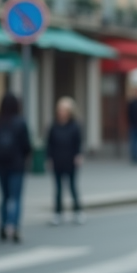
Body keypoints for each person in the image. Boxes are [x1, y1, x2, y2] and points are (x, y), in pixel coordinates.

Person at [0, 92, 33, 243]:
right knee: (16, 198)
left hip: (1, 166)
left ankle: (2, 226)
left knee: (4, 197)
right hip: (17, 165)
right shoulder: (20, 122)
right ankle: (14, 227)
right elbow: (27, 145)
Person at [45, 96, 84, 225]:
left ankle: (78, 212)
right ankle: (57, 213)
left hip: (70, 160)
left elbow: (78, 143)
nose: (62, 112)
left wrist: (78, 155)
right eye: (60, 109)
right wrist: (49, 158)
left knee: (72, 187)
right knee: (58, 189)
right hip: (57, 159)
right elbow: (49, 143)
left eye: (64, 109)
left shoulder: (74, 126)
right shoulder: (54, 126)